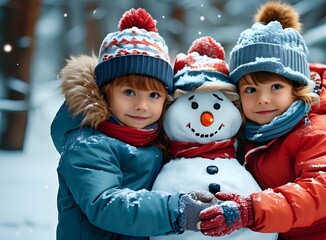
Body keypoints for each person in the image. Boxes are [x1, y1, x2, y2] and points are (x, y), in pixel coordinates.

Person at [198, 2, 326, 239]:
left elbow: (318, 191)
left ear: (297, 89)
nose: (263, 99)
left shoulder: (318, 132)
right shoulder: (252, 133)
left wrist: (253, 210)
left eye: (276, 87)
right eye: (251, 90)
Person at [51, 8, 215, 240]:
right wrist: (176, 211)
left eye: (154, 96)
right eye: (129, 92)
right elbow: (105, 205)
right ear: (105, 93)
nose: (142, 105)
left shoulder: (157, 139)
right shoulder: (88, 145)